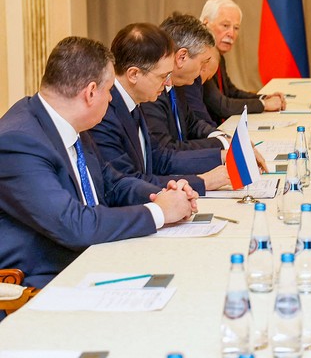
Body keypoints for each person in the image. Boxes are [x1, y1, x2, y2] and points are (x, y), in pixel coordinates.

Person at [0, 37, 197, 291]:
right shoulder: (19, 142)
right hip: (41, 283)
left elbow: (111, 182)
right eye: (109, 91)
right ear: (91, 92)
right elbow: (73, 224)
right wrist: (159, 213)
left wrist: (163, 196)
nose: (110, 100)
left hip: (92, 259)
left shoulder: (69, 123)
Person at [89, 23, 229, 196]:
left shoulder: (134, 101)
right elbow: (126, 181)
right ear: (133, 74)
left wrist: (221, 157)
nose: (168, 83)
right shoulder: (105, 113)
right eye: (163, 76)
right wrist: (202, 182)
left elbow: (159, 158)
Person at [184, 0, 286, 124]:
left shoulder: (219, 57)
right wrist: (264, 104)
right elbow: (222, 106)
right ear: (205, 24)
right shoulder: (199, 60)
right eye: (225, 25)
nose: (231, 33)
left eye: (236, 28)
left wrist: (263, 97)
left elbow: (231, 92)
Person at [142, 13, 231, 151]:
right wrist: (221, 144)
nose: (203, 70)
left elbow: (191, 123)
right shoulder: (151, 91)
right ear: (182, 57)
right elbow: (166, 151)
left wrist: (220, 136)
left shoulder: (177, 84)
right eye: (203, 62)